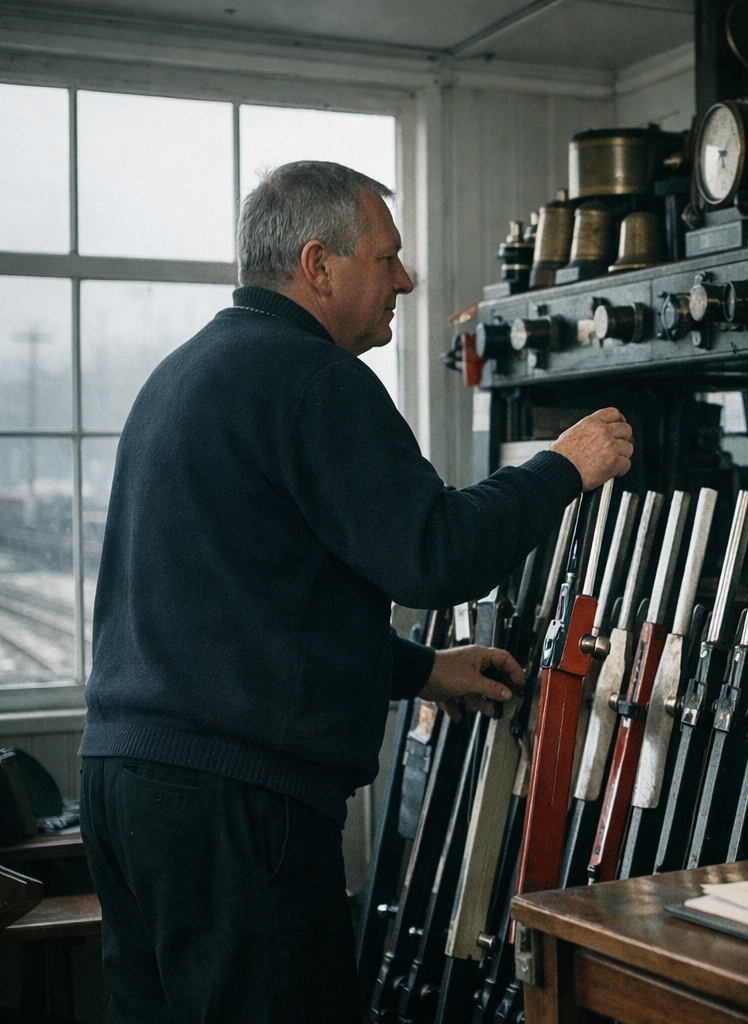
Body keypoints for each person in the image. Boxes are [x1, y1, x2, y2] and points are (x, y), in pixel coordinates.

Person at [77, 160, 632, 1023]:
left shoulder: (186, 374)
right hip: (236, 804)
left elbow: (247, 611)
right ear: (318, 264)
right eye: (387, 257)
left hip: (126, 788)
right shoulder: (313, 378)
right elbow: (434, 553)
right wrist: (563, 468)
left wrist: (420, 671)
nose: (405, 279)